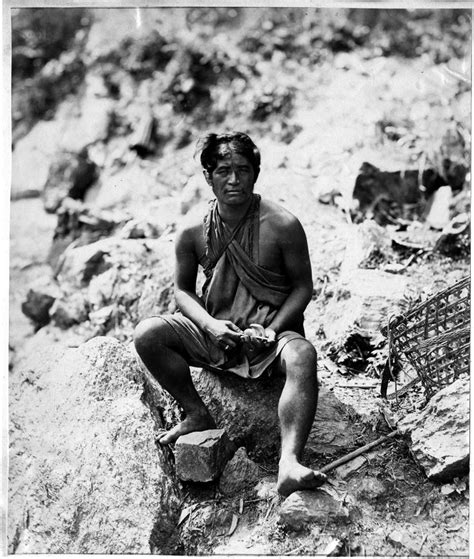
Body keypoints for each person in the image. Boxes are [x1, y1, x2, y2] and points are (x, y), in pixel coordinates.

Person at [134, 132, 327, 496]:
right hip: (216, 333)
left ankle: (289, 463)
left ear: (256, 173)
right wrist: (210, 325)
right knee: (148, 334)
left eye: (242, 170)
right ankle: (195, 412)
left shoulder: (283, 224)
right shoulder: (193, 231)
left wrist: (272, 330)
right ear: (208, 177)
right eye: (223, 171)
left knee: (303, 355)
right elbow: (182, 291)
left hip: (270, 337)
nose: (234, 180)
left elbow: (303, 287)